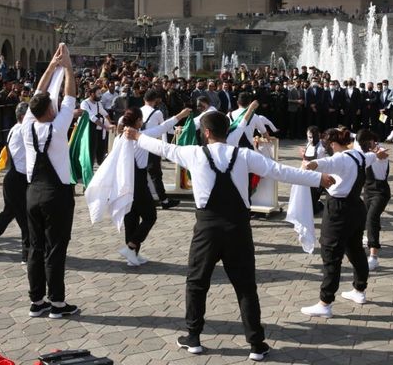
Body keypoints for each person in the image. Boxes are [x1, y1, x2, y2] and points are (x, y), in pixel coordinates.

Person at [125, 112, 333, 361]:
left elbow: (163, 148)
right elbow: (280, 171)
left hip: (207, 230)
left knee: (196, 283)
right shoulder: (243, 155)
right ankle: (256, 344)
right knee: (246, 287)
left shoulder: (194, 153)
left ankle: (193, 338)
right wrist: (318, 178)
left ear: (207, 133)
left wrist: (137, 136)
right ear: (227, 131)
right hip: (238, 229)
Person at [300, 128, 388, 317]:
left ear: (333, 144)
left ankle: (325, 303)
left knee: (331, 253)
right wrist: (379, 154)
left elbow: (324, 163)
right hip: (356, 207)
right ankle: (359, 290)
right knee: (355, 249)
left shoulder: (340, 158)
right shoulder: (360, 155)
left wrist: (309, 164)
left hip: (338, 210)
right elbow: (374, 156)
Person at [21, 45, 80, 319]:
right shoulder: (57, 128)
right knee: (56, 248)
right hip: (57, 196)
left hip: (32, 194)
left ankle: (37, 301)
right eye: (52, 106)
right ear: (49, 110)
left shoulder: (26, 125)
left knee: (35, 247)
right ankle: (57, 302)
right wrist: (67, 67)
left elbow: (38, 93)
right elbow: (70, 95)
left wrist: (50, 67)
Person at [117, 106, 192, 266]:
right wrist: (181, 114)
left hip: (124, 182)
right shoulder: (141, 136)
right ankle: (131, 247)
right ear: (138, 121)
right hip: (138, 182)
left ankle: (132, 255)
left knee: (131, 217)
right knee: (150, 216)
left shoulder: (120, 137)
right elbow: (163, 127)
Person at [0, 102, 31, 263]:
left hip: (15, 179)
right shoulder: (22, 129)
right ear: (22, 116)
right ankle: (27, 256)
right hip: (17, 180)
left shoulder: (16, 128)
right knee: (26, 219)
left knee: (8, 213)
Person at [354, 130, 390, 271]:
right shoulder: (362, 152)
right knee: (366, 217)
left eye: (365, 143)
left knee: (372, 218)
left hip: (380, 191)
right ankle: (368, 237)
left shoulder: (380, 150)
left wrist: (377, 154)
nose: (363, 146)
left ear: (372, 141)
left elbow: (381, 156)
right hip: (367, 191)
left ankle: (373, 257)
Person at [140, 89, 179, 210]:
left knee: (141, 174)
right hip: (152, 146)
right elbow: (164, 128)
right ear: (155, 100)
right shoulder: (157, 113)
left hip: (139, 145)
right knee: (156, 174)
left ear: (144, 99)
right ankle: (164, 200)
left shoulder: (139, 110)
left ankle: (145, 199)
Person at [80, 85, 112, 167]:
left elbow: (104, 113)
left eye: (100, 93)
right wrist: (105, 127)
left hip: (98, 129)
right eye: (98, 93)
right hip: (88, 129)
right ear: (91, 93)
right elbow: (92, 117)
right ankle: (88, 167)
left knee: (101, 148)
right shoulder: (84, 103)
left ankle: (100, 164)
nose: (100, 95)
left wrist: (111, 123)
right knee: (90, 149)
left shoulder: (98, 103)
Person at [301, 126, 328, 214]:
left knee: (312, 210)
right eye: (309, 137)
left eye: (313, 137)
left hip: (317, 178)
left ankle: (319, 204)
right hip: (307, 176)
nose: (311, 140)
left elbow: (321, 166)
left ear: (318, 136)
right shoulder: (308, 145)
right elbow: (305, 160)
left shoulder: (320, 148)